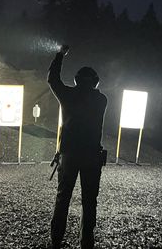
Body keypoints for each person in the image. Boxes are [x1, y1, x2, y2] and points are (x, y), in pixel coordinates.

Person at [48, 45, 108, 249]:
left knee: (63, 198)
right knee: (89, 201)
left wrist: (60, 55)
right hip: (92, 156)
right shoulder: (101, 99)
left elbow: (52, 79)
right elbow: (93, 94)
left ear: (76, 80)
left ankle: (56, 241)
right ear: (95, 82)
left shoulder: (68, 95)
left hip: (69, 155)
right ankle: (86, 243)